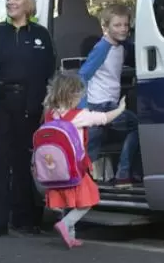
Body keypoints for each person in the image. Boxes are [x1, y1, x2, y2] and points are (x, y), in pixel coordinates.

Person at [0, 0, 56, 237]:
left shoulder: (41, 35)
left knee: (25, 164)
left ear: (27, 3)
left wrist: (46, 105)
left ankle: (26, 220)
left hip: (29, 107)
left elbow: (50, 74)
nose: (10, 2)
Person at [40, 72, 127, 248]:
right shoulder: (79, 115)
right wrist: (120, 109)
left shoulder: (50, 114)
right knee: (89, 200)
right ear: (72, 95)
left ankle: (70, 236)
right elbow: (103, 118)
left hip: (55, 170)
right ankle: (65, 224)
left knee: (68, 201)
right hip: (75, 168)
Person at [78, 4, 142, 186]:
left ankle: (82, 183)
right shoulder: (103, 47)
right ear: (105, 28)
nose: (123, 29)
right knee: (135, 127)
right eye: (117, 25)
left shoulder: (121, 46)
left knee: (92, 148)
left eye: (126, 25)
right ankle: (123, 174)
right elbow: (83, 74)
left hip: (106, 105)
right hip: (99, 106)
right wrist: (84, 108)